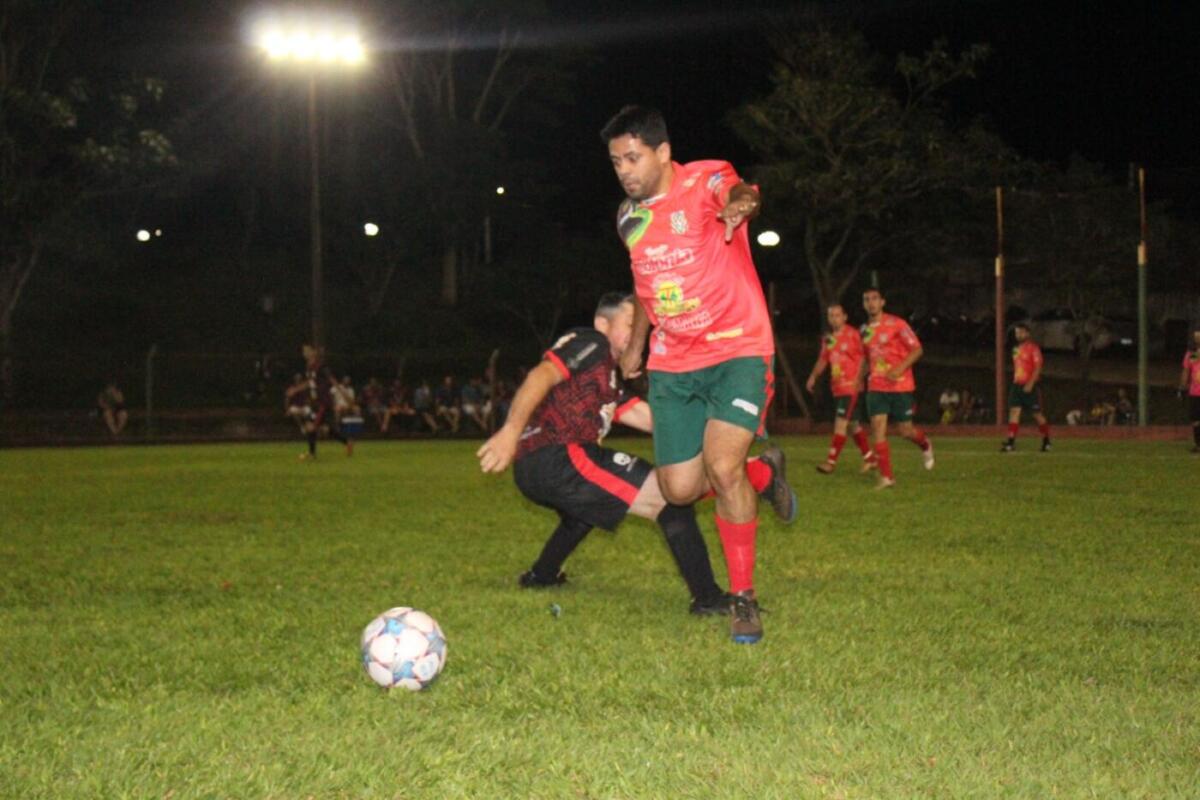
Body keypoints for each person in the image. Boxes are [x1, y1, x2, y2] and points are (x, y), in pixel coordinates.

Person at [601, 105, 797, 644]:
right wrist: (636, 343)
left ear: (663, 152)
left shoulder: (703, 180)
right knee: (680, 489)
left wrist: (741, 205)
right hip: (673, 364)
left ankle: (743, 597)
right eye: (616, 161)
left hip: (737, 349)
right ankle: (764, 473)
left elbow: (739, 192)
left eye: (633, 158)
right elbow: (645, 282)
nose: (624, 170)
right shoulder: (628, 217)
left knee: (722, 468)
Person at [476, 292, 735, 615]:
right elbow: (541, 374)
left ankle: (542, 575)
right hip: (560, 456)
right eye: (629, 323)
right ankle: (709, 600)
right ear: (603, 323)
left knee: (585, 511)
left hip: (534, 467)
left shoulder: (606, 376)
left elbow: (648, 418)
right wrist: (510, 431)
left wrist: (717, 429)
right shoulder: (593, 343)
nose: (636, 332)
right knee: (669, 499)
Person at [860, 288, 934, 489]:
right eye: (867, 300)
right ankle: (887, 477)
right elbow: (867, 358)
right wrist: (859, 379)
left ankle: (925, 444)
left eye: (875, 299)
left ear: (882, 302)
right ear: (864, 304)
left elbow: (917, 349)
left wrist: (899, 368)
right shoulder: (864, 330)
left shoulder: (897, 324)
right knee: (878, 428)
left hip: (900, 385)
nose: (871, 303)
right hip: (876, 385)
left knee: (905, 431)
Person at [805, 303, 876, 474]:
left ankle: (830, 462)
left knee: (840, 424)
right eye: (831, 315)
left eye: (837, 315)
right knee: (853, 425)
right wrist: (813, 376)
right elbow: (823, 359)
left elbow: (868, 357)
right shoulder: (829, 339)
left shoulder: (854, 335)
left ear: (845, 317)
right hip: (837, 388)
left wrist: (859, 378)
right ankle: (870, 459)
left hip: (851, 388)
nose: (834, 318)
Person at [1001, 321, 1052, 452]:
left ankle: (1046, 440)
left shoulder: (1034, 348)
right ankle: (1011, 442)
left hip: (1029, 385)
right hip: (1017, 385)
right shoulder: (1015, 349)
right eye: (1017, 333)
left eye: (1021, 332)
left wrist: (1031, 383)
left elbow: (1038, 367)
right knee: (1014, 412)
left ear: (1027, 334)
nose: (1018, 335)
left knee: (1037, 414)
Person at [298, 344, 351, 460]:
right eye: (304, 351)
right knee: (325, 429)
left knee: (311, 427)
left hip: (323, 403)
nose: (304, 353)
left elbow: (332, 380)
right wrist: (296, 389)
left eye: (307, 350)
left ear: (313, 352)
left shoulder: (321, 366)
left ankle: (312, 454)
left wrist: (342, 392)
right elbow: (310, 383)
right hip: (316, 402)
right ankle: (347, 442)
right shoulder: (309, 367)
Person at [1178, 328, 1200, 452]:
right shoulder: (1190, 354)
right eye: (1196, 337)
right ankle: (1198, 444)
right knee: (1195, 419)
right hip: (1195, 391)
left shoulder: (1192, 354)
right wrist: (1182, 387)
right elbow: (1186, 371)